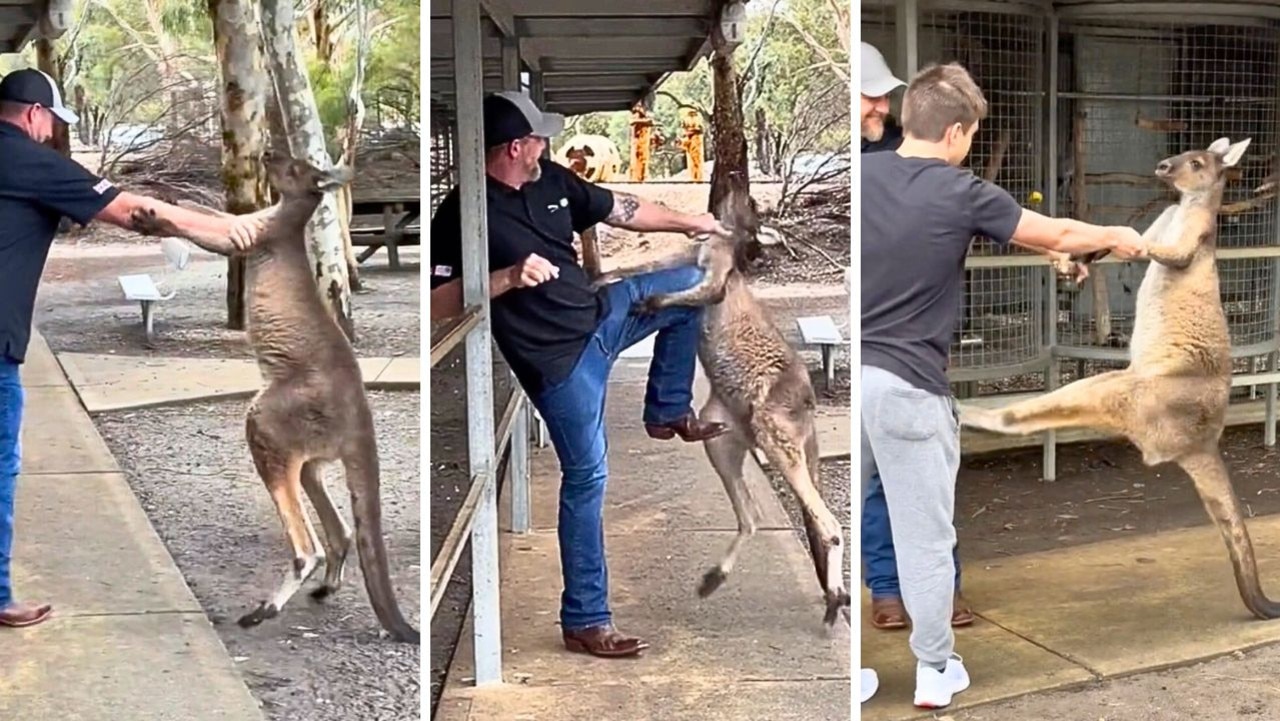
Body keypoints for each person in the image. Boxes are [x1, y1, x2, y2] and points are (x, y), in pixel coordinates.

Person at [860, 62, 1147, 709]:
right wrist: (1117, 237)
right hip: (910, 385)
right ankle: (934, 671)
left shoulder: (866, 174)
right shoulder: (961, 189)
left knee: (843, 520)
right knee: (926, 536)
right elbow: (1062, 232)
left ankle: (842, 669)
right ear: (958, 133)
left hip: (852, 383)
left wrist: (1054, 249)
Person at [429, 91, 728, 658]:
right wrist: (508, 277)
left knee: (695, 284)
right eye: (539, 137)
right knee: (588, 478)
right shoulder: (463, 210)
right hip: (559, 365)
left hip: (603, 314)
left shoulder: (552, 180)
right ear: (515, 147)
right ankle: (586, 619)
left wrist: (692, 222)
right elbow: (438, 304)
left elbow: (623, 208)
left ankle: (667, 409)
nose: (548, 144)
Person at [0, 68, 265, 629]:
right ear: (32, 115)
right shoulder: (28, 160)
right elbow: (130, 210)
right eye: (52, 122)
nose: (53, 133)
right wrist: (225, 230)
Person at [859, 41, 972, 633]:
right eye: (871, 93)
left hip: (907, 346)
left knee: (920, 485)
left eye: (885, 94)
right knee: (891, 480)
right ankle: (891, 588)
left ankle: (932, 590)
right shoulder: (865, 166)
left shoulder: (885, 153)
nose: (882, 102)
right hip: (889, 356)